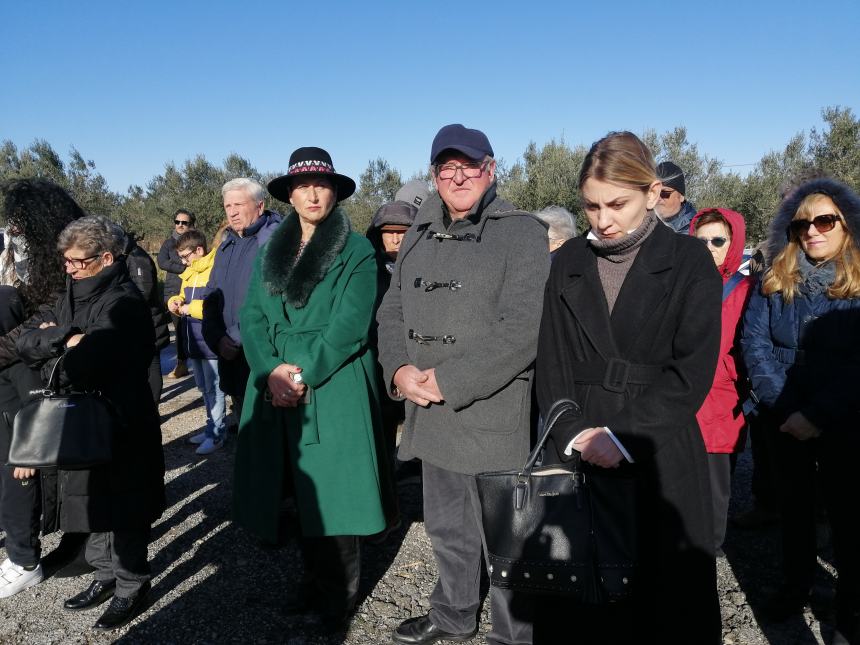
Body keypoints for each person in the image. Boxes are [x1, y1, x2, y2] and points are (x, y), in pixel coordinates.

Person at [535, 131, 722, 644]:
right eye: (591, 206)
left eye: (617, 203)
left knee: (663, 604)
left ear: (653, 193)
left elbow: (692, 373)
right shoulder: (568, 259)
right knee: (583, 601)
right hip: (579, 449)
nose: (603, 219)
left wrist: (619, 437)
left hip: (657, 449)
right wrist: (572, 431)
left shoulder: (689, 262)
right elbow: (550, 360)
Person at [377, 124, 550, 645]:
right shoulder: (419, 232)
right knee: (448, 529)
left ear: (490, 169)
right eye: (446, 168)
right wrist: (399, 372)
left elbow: (522, 330)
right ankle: (452, 614)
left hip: (493, 412)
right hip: (428, 410)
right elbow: (391, 311)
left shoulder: (522, 232)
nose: (457, 177)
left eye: (468, 166)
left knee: (507, 539)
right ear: (434, 175)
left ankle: (512, 635)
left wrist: (450, 381)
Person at [233, 147, 396, 631]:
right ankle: (311, 578)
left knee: (337, 492)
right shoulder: (272, 249)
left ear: (334, 191)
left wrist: (300, 373)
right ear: (288, 194)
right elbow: (253, 317)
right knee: (297, 489)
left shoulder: (356, 250)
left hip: (333, 379)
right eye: (302, 186)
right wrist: (270, 372)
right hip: (277, 378)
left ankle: (338, 596)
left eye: (321, 184)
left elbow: (350, 325)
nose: (312, 193)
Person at [16, 216, 166, 630]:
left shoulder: (125, 303)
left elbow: (84, 366)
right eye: (65, 260)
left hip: (121, 421)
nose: (69, 268)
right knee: (93, 500)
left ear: (104, 258)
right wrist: (65, 338)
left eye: (77, 262)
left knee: (126, 505)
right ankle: (104, 575)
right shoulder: (68, 294)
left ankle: (132, 585)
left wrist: (61, 345)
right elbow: (27, 340)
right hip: (83, 420)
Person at [741, 178, 860, 642]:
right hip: (784, 417)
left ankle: (850, 606)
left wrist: (818, 414)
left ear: (845, 227)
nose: (813, 231)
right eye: (802, 223)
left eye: (824, 221)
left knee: (849, 515)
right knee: (794, 510)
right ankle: (796, 586)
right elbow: (755, 344)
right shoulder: (773, 280)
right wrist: (788, 408)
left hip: (846, 421)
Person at [0, 179, 85, 598]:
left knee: (40, 465)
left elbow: (51, 320)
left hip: (65, 378)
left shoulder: (71, 260)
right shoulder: (39, 261)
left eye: (19, 223)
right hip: (37, 370)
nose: (13, 231)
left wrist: (11, 345)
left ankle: (62, 551)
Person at [689, 208, 753, 552]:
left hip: (722, 401)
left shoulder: (745, 290)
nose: (709, 247)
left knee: (715, 484)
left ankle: (708, 548)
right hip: (686, 398)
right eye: (701, 241)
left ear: (733, 243)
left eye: (718, 240)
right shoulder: (682, 284)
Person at [202, 179, 281, 425]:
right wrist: (216, 337)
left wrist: (235, 337)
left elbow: (273, 299)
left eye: (239, 204)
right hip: (230, 354)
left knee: (266, 430)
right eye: (227, 206)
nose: (232, 212)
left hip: (259, 352)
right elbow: (211, 294)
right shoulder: (227, 244)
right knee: (243, 426)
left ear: (259, 206)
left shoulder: (274, 242)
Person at [167, 229, 226, 455]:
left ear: (199, 250)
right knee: (203, 388)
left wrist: (188, 309)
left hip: (209, 343)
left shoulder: (215, 270)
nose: (183, 261)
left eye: (185, 256)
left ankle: (217, 434)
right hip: (194, 341)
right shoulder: (190, 271)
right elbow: (182, 295)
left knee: (215, 389)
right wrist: (175, 301)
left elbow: (216, 306)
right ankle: (211, 427)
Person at [123, 232, 171, 403]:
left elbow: (145, 293)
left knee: (152, 365)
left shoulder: (137, 259)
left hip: (148, 321)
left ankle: (153, 406)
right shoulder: (129, 256)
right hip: (143, 321)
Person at [158, 209, 195, 379]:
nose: (180, 225)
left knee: (196, 327)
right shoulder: (168, 243)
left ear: (190, 224)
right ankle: (181, 364)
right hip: (173, 291)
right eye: (177, 222)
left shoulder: (196, 242)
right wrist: (184, 268)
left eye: (184, 222)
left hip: (193, 289)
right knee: (179, 328)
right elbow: (162, 262)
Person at [655, 161, 697, 233]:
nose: (658, 198)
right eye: (654, 193)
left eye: (664, 193)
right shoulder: (641, 225)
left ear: (681, 197)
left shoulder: (697, 232)